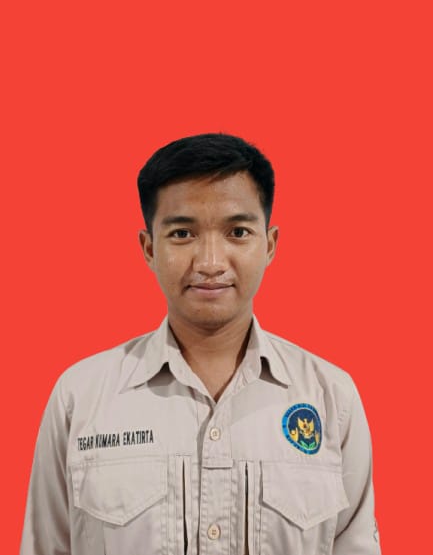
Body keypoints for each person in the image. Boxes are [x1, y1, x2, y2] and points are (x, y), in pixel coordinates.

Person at [20, 133, 381, 555]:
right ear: (149, 248)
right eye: (182, 234)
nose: (210, 263)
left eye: (238, 232)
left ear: (270, 245)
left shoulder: (331, 397)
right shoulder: (80, 397)